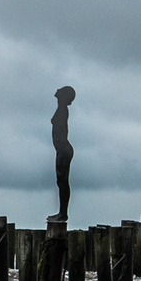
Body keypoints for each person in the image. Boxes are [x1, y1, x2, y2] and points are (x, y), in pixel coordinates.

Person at [51, 86, 75, 223]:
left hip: (63, 150)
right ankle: (62, 213)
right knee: (61, 182)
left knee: (63, 182)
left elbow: (61, 133)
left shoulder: (62, 110)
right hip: (61, 149)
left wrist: (60, 149)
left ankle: (63, 213)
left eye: (61, 90)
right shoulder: (61, 109)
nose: (57, 89)